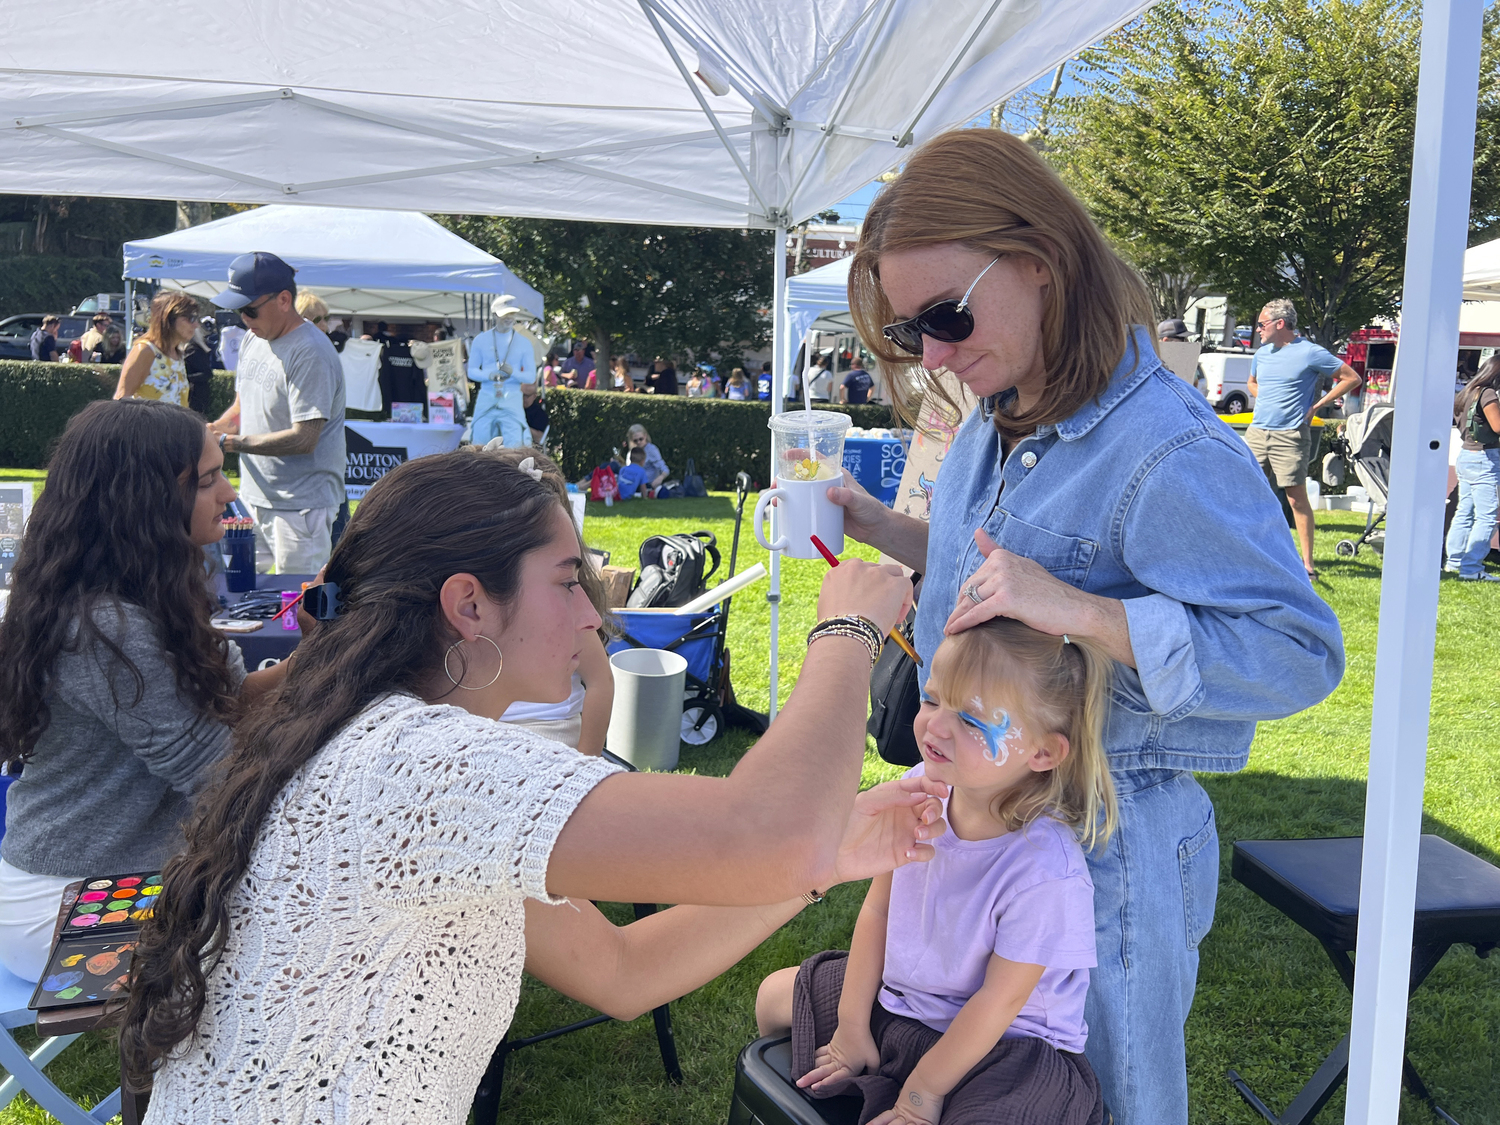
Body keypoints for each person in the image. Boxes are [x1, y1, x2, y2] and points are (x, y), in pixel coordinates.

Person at [119, 446, 946, 1124]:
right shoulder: (421, 763)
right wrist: (845, 629)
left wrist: (827, 861)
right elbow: (770, 831)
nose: (595, 616)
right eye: (567, 581)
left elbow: (620, 969)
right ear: (469, 604)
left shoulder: (373, 744)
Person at [830, 128, 1345, 1125]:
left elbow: (1299, 655)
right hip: (975, 834)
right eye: (907, 333)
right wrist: (877, 524)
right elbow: (997, 571)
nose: (933, 354)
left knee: (1109, 1108)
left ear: (1039, 263)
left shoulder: (1168, 451)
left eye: (945, 314)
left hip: (1101, 860)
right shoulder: (998, 410)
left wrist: (1083, 613)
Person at [757, 619, 1116, 1124]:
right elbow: (879, 910)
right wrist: (851, 1025)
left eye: (971, 719)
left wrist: (922, 1093)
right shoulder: (922, 788)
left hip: (1001, 1049)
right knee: (774, 997)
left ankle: (907, 1084)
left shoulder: (1046, 872)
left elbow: (1000, 1001)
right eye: (932, 700)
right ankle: (878, 1059)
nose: (936, 727)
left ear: (1042, 752)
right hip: (903, 1005)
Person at [0, 399, 298, 981]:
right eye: (209, 480)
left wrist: (324, 650)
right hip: (70, 907)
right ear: (142, 498)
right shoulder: (105, 628)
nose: (229, 494)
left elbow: (234, 703)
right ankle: (170, 1075)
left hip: (122, 881)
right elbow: (218, 774)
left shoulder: (146, 593)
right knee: (309, 930)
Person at [208, 251, 347, 576]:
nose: (244, 319)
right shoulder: (252, 340)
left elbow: (305, 438)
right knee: (245, 598)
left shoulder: (311, 351)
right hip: (255, 497)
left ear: (284, 299)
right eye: (238, 310)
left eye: (249, 309)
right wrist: (209, 431)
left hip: (301, 506)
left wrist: (229, 442)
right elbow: (242, 408)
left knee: (296, 611)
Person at [1244, 299, 1363, 578]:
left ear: (1280, 324)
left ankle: (1307, 565)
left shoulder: (1310, 353)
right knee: (1248, 495)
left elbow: (1351, 378)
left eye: (1262, 324)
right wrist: (1264, 397)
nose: (1258, 329)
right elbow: (1252, 382)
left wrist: (1316, 407)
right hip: (1257, 432)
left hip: (1290, 435)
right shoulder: (1262, 354)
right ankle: (1249, 555)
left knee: (1296, 499)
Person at [1445, 358, 1500, 581]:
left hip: (1466, 455)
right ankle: (1471, 568)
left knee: (1464, 512)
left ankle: (1454, 562)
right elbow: (1497, 426)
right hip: (1484, 458)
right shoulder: (1487, 394)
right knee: (1486, 517)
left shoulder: (1467, 392)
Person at [467, 296, 537, 447]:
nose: (509, 318)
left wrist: (513, 372)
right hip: (486, 396)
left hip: (511, 398)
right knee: (479, 442)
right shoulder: (481, 340)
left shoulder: (524, 343)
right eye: (504, 314)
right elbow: (471, 371)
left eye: (512, 314)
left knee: (516, 445)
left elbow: (531, 376)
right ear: (494, 315)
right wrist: (488, 375)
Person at [115, 291, 197, 407]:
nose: (196, 325)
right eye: (190, 318)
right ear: (168, 318)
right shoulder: (145, 350)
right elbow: (121, 399)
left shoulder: (177, 354)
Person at [182, 320, 217, 417]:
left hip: (196, 394)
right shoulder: (192, 349)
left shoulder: (194, 350)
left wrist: (185, 378)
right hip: (196, 392)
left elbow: (207, 373)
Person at [624, 423, 671, 489]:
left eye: (641, 439)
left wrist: (660, 478)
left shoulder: (651, 449)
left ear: (645, 436)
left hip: (648, 484)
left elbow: (664, 469)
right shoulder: (632, 452)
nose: (638, 442)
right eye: (635, 440)